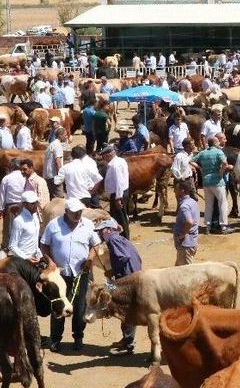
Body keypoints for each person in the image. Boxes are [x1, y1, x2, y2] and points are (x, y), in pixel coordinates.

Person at [40, 198, 99, 352]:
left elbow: (95, 245)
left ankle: (78, 338)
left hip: (81, 273)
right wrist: (50, 261)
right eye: (74, 213)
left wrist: (90, 259)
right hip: (61, 274)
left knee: (80, 307)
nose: (77, 215)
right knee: (59, 305)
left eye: (79, 212)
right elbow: (44, 245)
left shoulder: (87, 225)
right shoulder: (54, 225)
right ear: (66, 212)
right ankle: (55, 339)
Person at [94, 219, 142, 355]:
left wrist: (112, 272)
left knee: (125, 311)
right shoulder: (121, 239)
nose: (100, 235)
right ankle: (126, 340)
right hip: (133, 276)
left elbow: (124, 257)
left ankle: (129, 344)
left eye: (101, 232)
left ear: (108, 230)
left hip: (127, 279)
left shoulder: (113, 240)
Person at [0, 158, 49, 250]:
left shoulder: (38, 181)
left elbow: (43, 202)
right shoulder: (26, 180)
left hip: (34, 215)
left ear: (31, 168)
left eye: (24, 169)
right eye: (21, 169)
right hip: (25, 211)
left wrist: (40, 219)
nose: (22, 172)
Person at [192, 135, 231, 235]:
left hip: (206, 181)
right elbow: (225, 163)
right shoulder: (219, 152)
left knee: (208, 205)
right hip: (218, 182)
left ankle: (208, 226)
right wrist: (221, 172)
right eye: (217, 141)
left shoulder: (203, 153)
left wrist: (200, 168)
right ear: (215, 143)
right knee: (222, 203)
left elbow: (191, 160)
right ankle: (223, 226)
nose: (219, 143)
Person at [101, 146, 130, 237]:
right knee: (120, 216)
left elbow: (119, 182)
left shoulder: (115, 165)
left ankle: (124, 237)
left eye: (104, 156)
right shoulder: (121, 160)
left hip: (118, 194)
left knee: (120, 218)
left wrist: (118, 198)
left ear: (109, 155)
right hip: (123, 192)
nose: (103, 158)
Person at [6, 191, 43, 261]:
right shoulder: (19, 221)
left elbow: (34, 239)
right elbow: (12, 246)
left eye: (36, 202)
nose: (36, 205)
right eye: (32, 203)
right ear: (24, 204)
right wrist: (26, 257)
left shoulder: (35, 216)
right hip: (22, 259)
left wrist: (39, 254)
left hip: (35, 256)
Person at [172, 179, 199, 266]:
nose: (174, 191)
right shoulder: (192, 201)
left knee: (188, 274)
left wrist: (182, 235)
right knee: (178, 269)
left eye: (176, 189)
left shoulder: (184, 206)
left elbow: (189, 222)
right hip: (191, 242)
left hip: (185, 245)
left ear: (182, 190)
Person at [43, 127, 67, 199]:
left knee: (51, 197)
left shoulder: (51, 144)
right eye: (65, 135)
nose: (66, 137)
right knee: (59, 198)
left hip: (48, 175)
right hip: (54, 176)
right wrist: (61, 175)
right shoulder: (57, 145)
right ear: (60, 135)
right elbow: (58, 161)